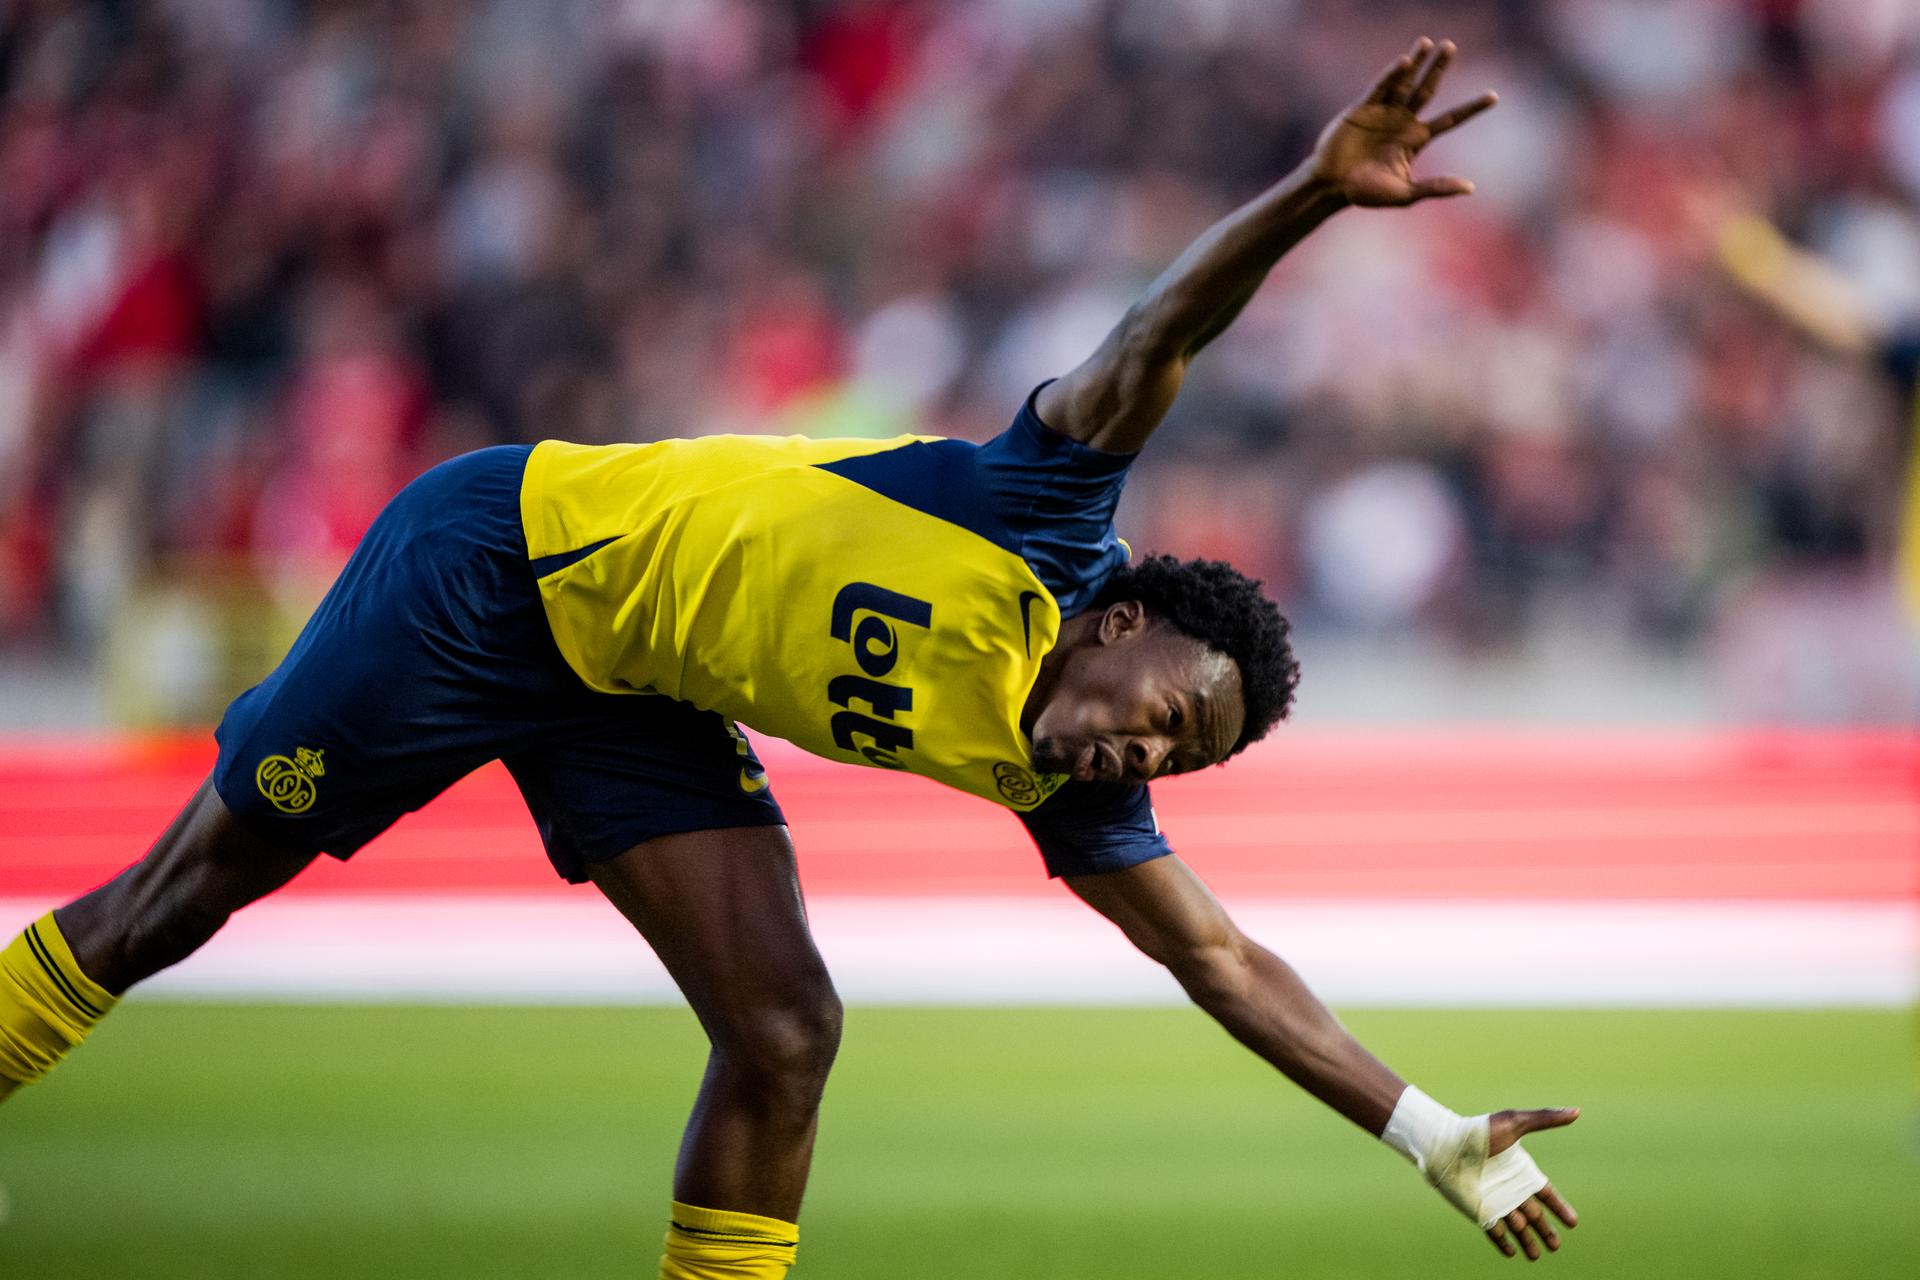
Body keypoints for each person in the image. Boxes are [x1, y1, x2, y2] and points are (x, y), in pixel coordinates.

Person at [1, 37, 1580, 1275]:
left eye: (1176, 763)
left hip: (632, 689)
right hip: (490, 568)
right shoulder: (1042, 511)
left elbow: (1219, 961)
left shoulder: (1070, 788)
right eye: (1163, 715)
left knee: (785, 1029)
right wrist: (1312, 191)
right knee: (179, 902)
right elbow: (1160, 332)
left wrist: (1432, 1131)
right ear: (1118, 620)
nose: (1141, 758)